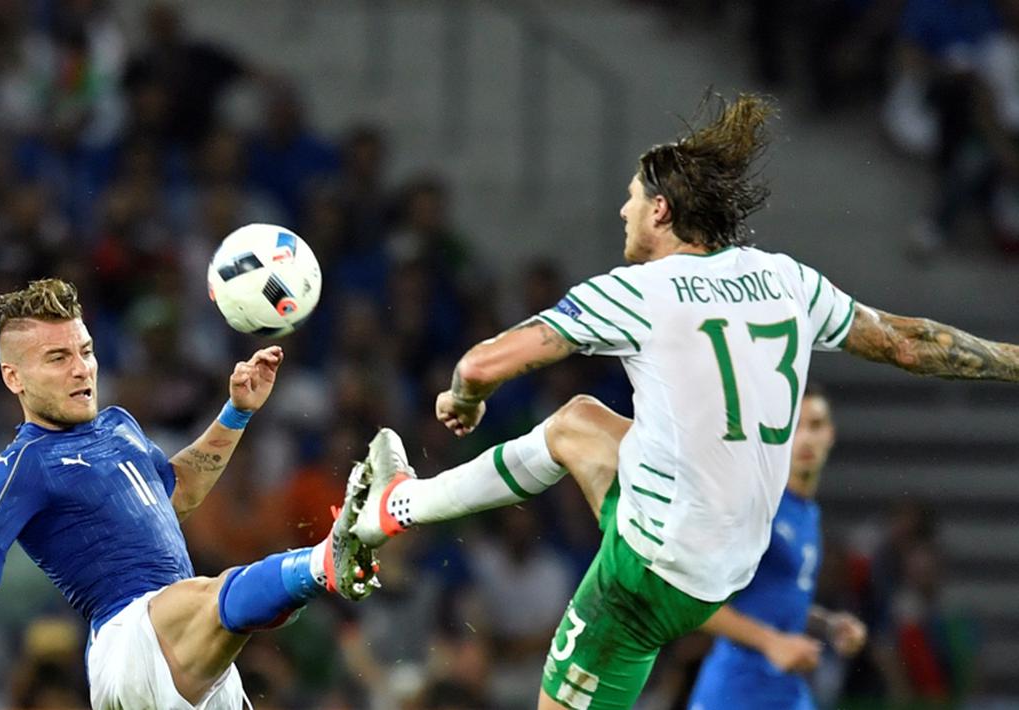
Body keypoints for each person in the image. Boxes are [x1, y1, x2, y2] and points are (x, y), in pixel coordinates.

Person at [336, 93, 1019, 709]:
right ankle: (398, 505)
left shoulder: (635, 291)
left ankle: (395, 507)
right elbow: (909, 343)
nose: (623, 211)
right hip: (724, 565)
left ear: (660, 210)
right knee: (577, 425)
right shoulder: (785, 280)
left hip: (647, 577)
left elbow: (482, 361)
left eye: (632, 198)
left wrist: (466, 396)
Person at [0, 278, 377, 709]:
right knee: (216, 597)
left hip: (185, 650)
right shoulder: (22, 465)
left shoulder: (118, 425)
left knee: (210, 602)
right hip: (129, 637)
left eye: (86, 351)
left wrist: (236, 412)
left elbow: (174, 497)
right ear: (13, 378)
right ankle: (329, 560)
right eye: (57, 359)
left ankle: (324, 564)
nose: (81, 370)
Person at [688, 385, 867, 710]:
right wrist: (772, 643)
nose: (806, 439)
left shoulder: (807, 513)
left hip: (785, 692)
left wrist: (827, 625)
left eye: (815, 425)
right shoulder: (757, 508)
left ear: (831, 434)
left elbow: (771, 599)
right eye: (794, 427)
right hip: (735, 693)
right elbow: (693, 602)